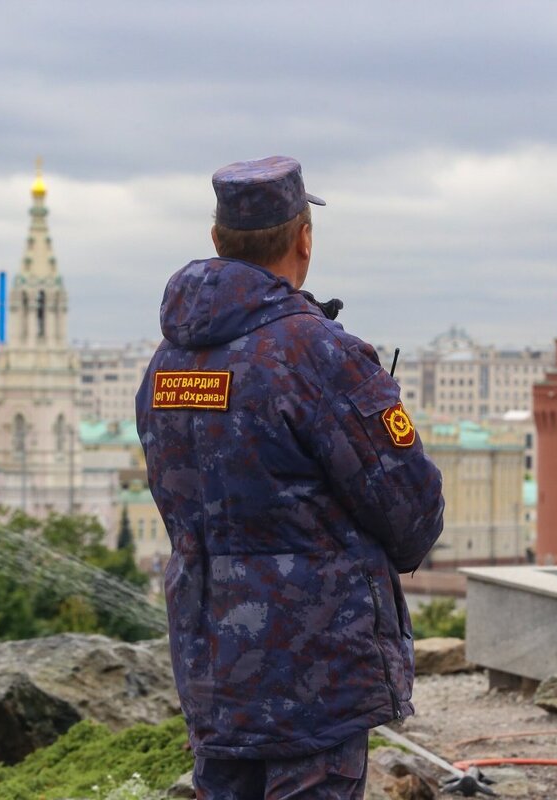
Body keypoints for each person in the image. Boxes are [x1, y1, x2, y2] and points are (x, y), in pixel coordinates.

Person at [136, 156, 444, 799]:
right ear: (304, 238)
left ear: (219, 243)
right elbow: (414, 515)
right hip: (315, 678)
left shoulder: (166, 365)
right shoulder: (319, 355)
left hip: (213, 671)